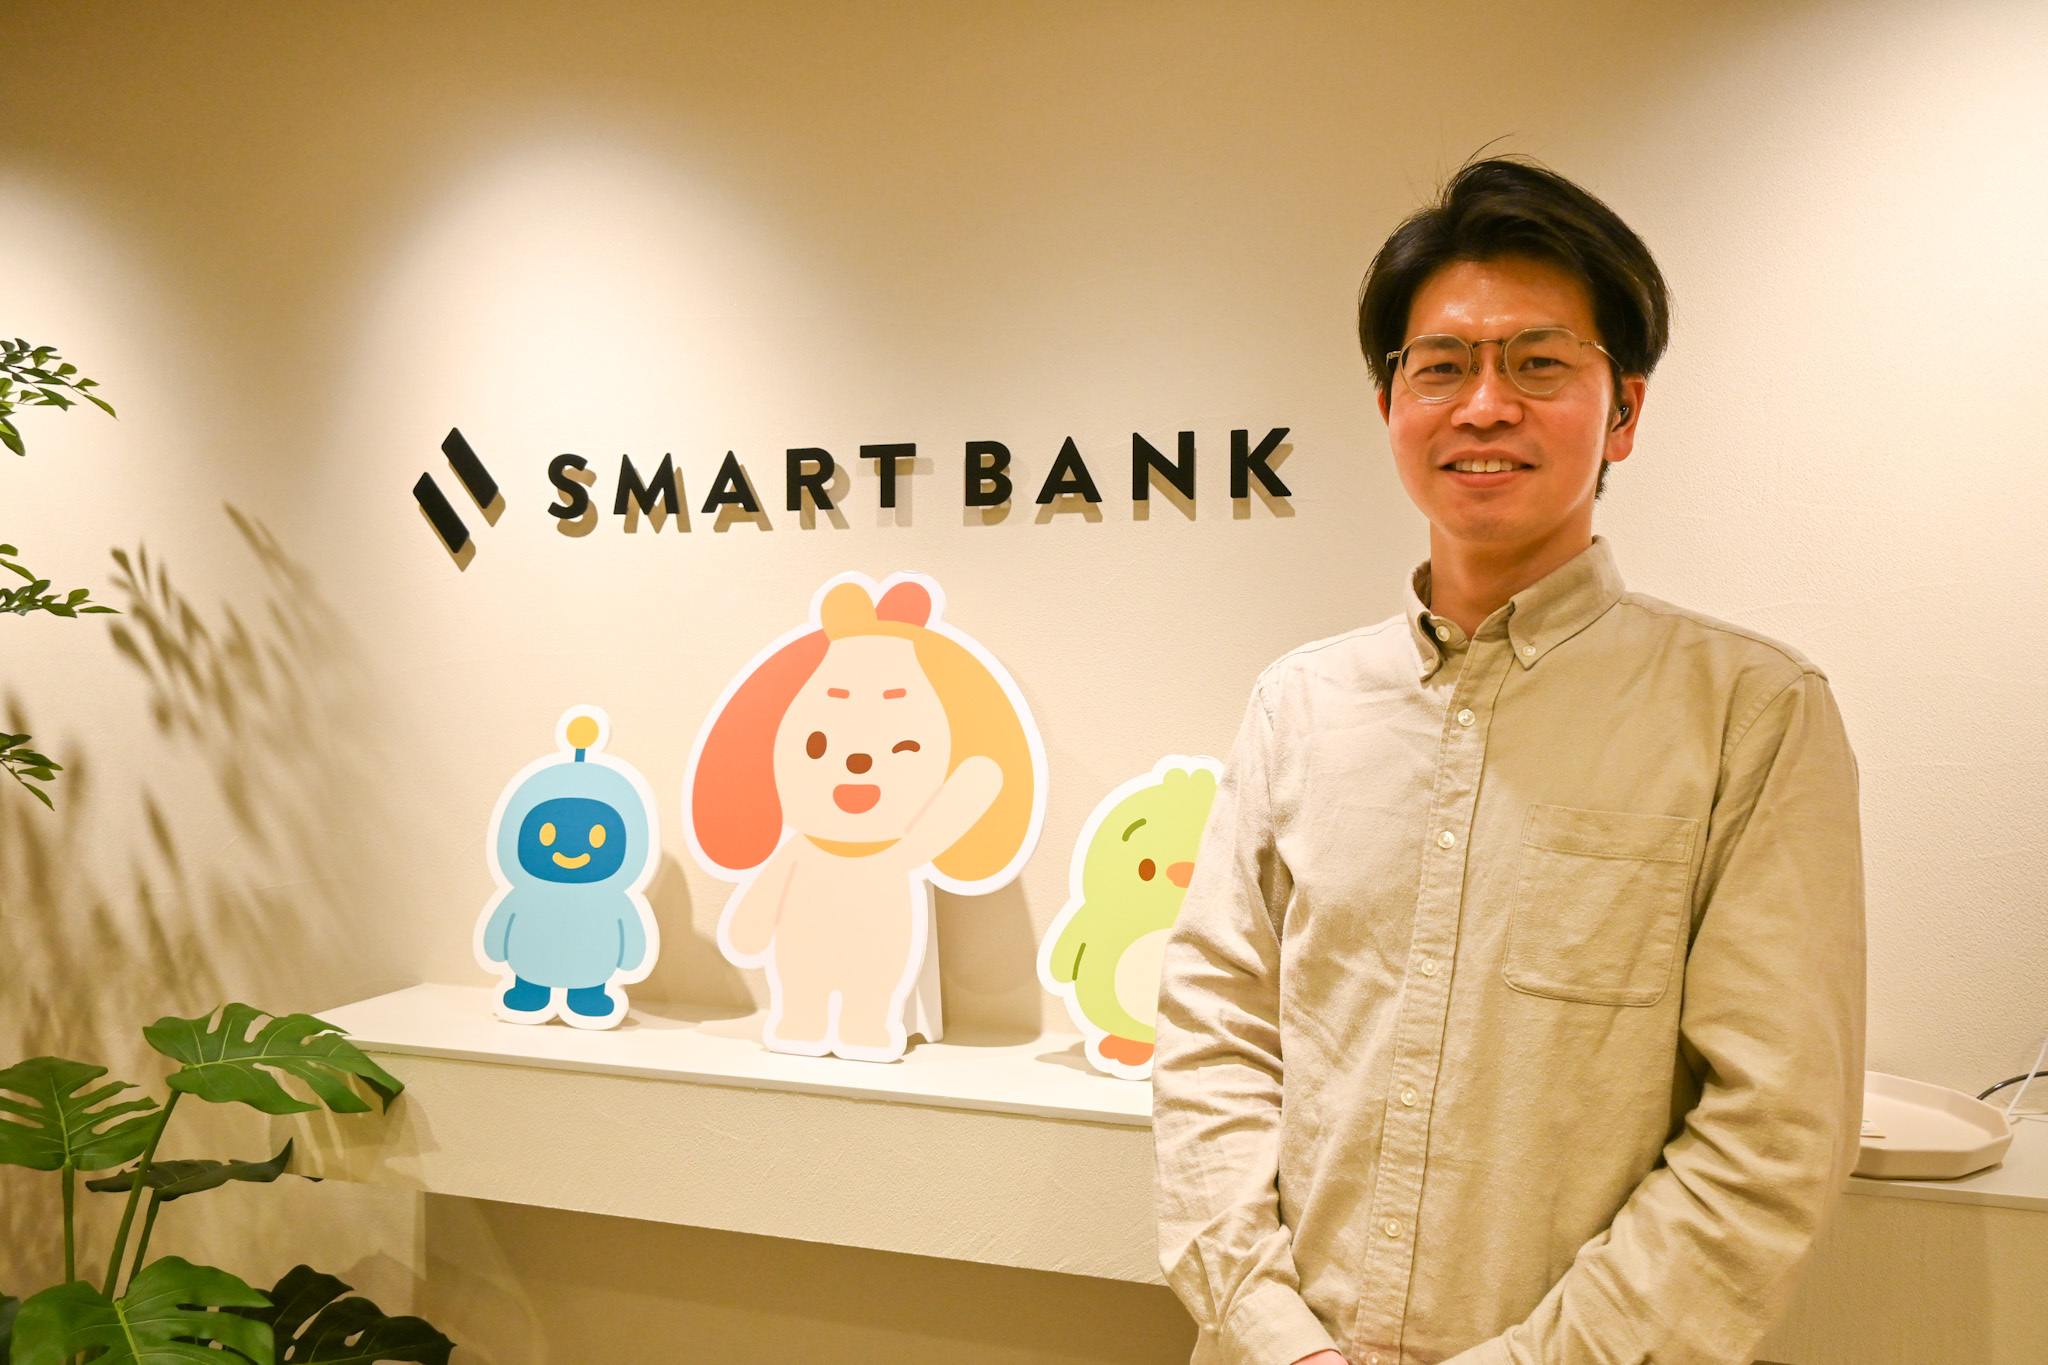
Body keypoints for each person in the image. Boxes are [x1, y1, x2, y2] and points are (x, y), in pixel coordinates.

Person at [1151, 158, 1865, 1365]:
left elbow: (1771, 1129)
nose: (1481, 407)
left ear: (1622, 410)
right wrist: (1278, 1339)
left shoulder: (1748, 715)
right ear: (1389, 404)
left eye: (1537, 363)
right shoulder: (1298, 706)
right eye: (1439, 367)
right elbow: (1213, 1036)